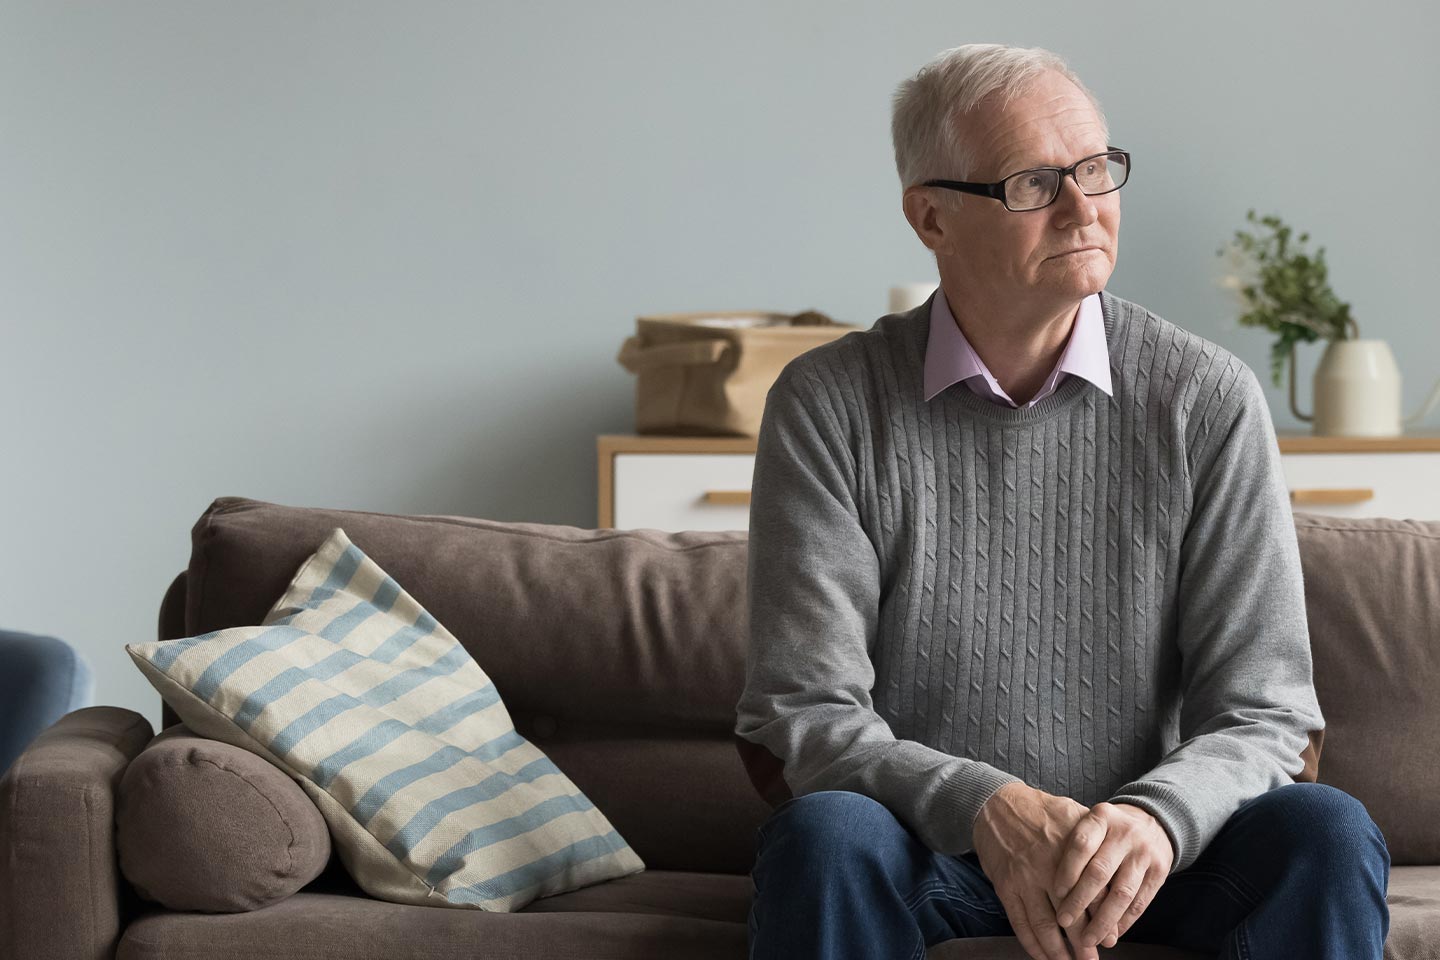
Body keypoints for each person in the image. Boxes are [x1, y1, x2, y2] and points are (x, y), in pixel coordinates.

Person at [733, 42, 1390, 960]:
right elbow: (805, 712)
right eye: (1034, 184)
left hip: (1160, 862)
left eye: (1094, 169)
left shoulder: (1207, 398)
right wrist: (986, 807)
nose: (1085, 207)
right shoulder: (828, 405)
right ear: (931, 216)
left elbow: (1267, 713)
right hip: (935, 854)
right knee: (827, 838)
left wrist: (1157, 820)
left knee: (1324, 830)